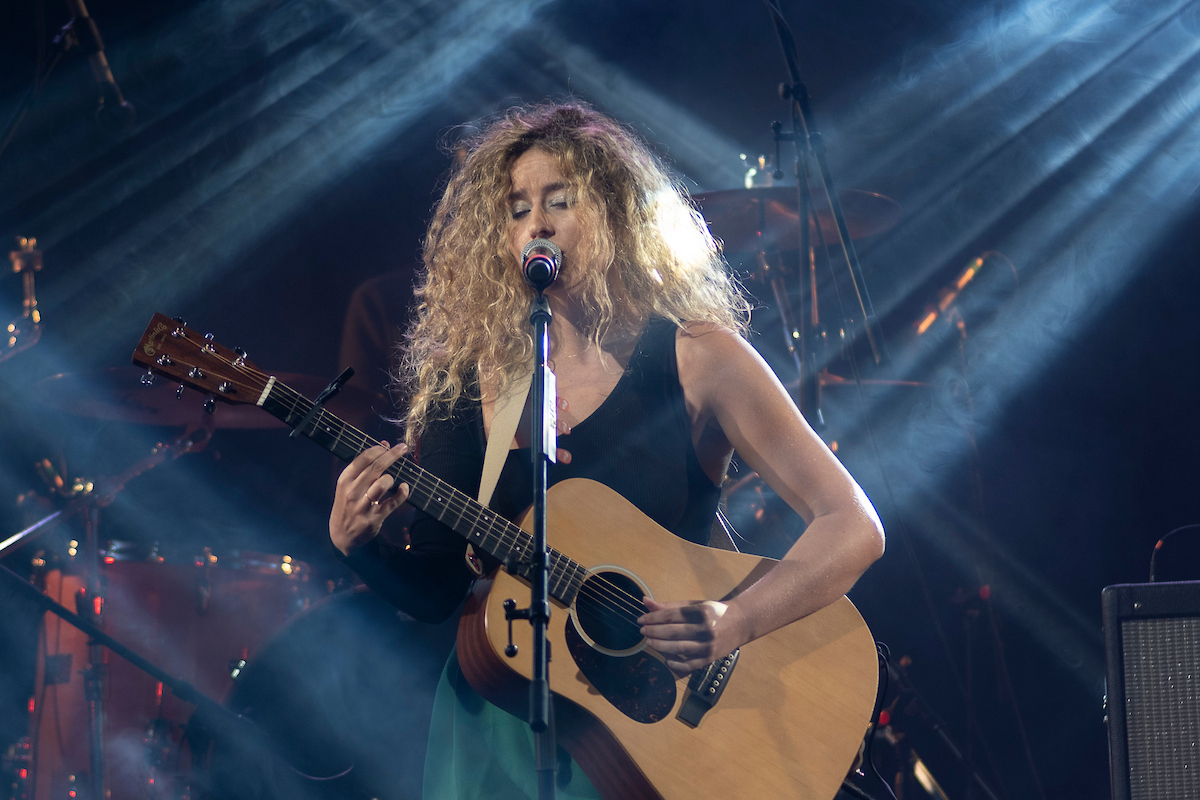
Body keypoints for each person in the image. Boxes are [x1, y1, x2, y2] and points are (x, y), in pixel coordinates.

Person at [329, 102, 885, 799]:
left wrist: (738, 618)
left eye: (559, 200)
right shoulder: (464, 385)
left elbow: (852, 525)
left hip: (658, 731)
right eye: (515, 208)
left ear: (618, 212)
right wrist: (359, 546)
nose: (535, 222)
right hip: (498, 726)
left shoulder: (698, 357)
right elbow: (437, 592)